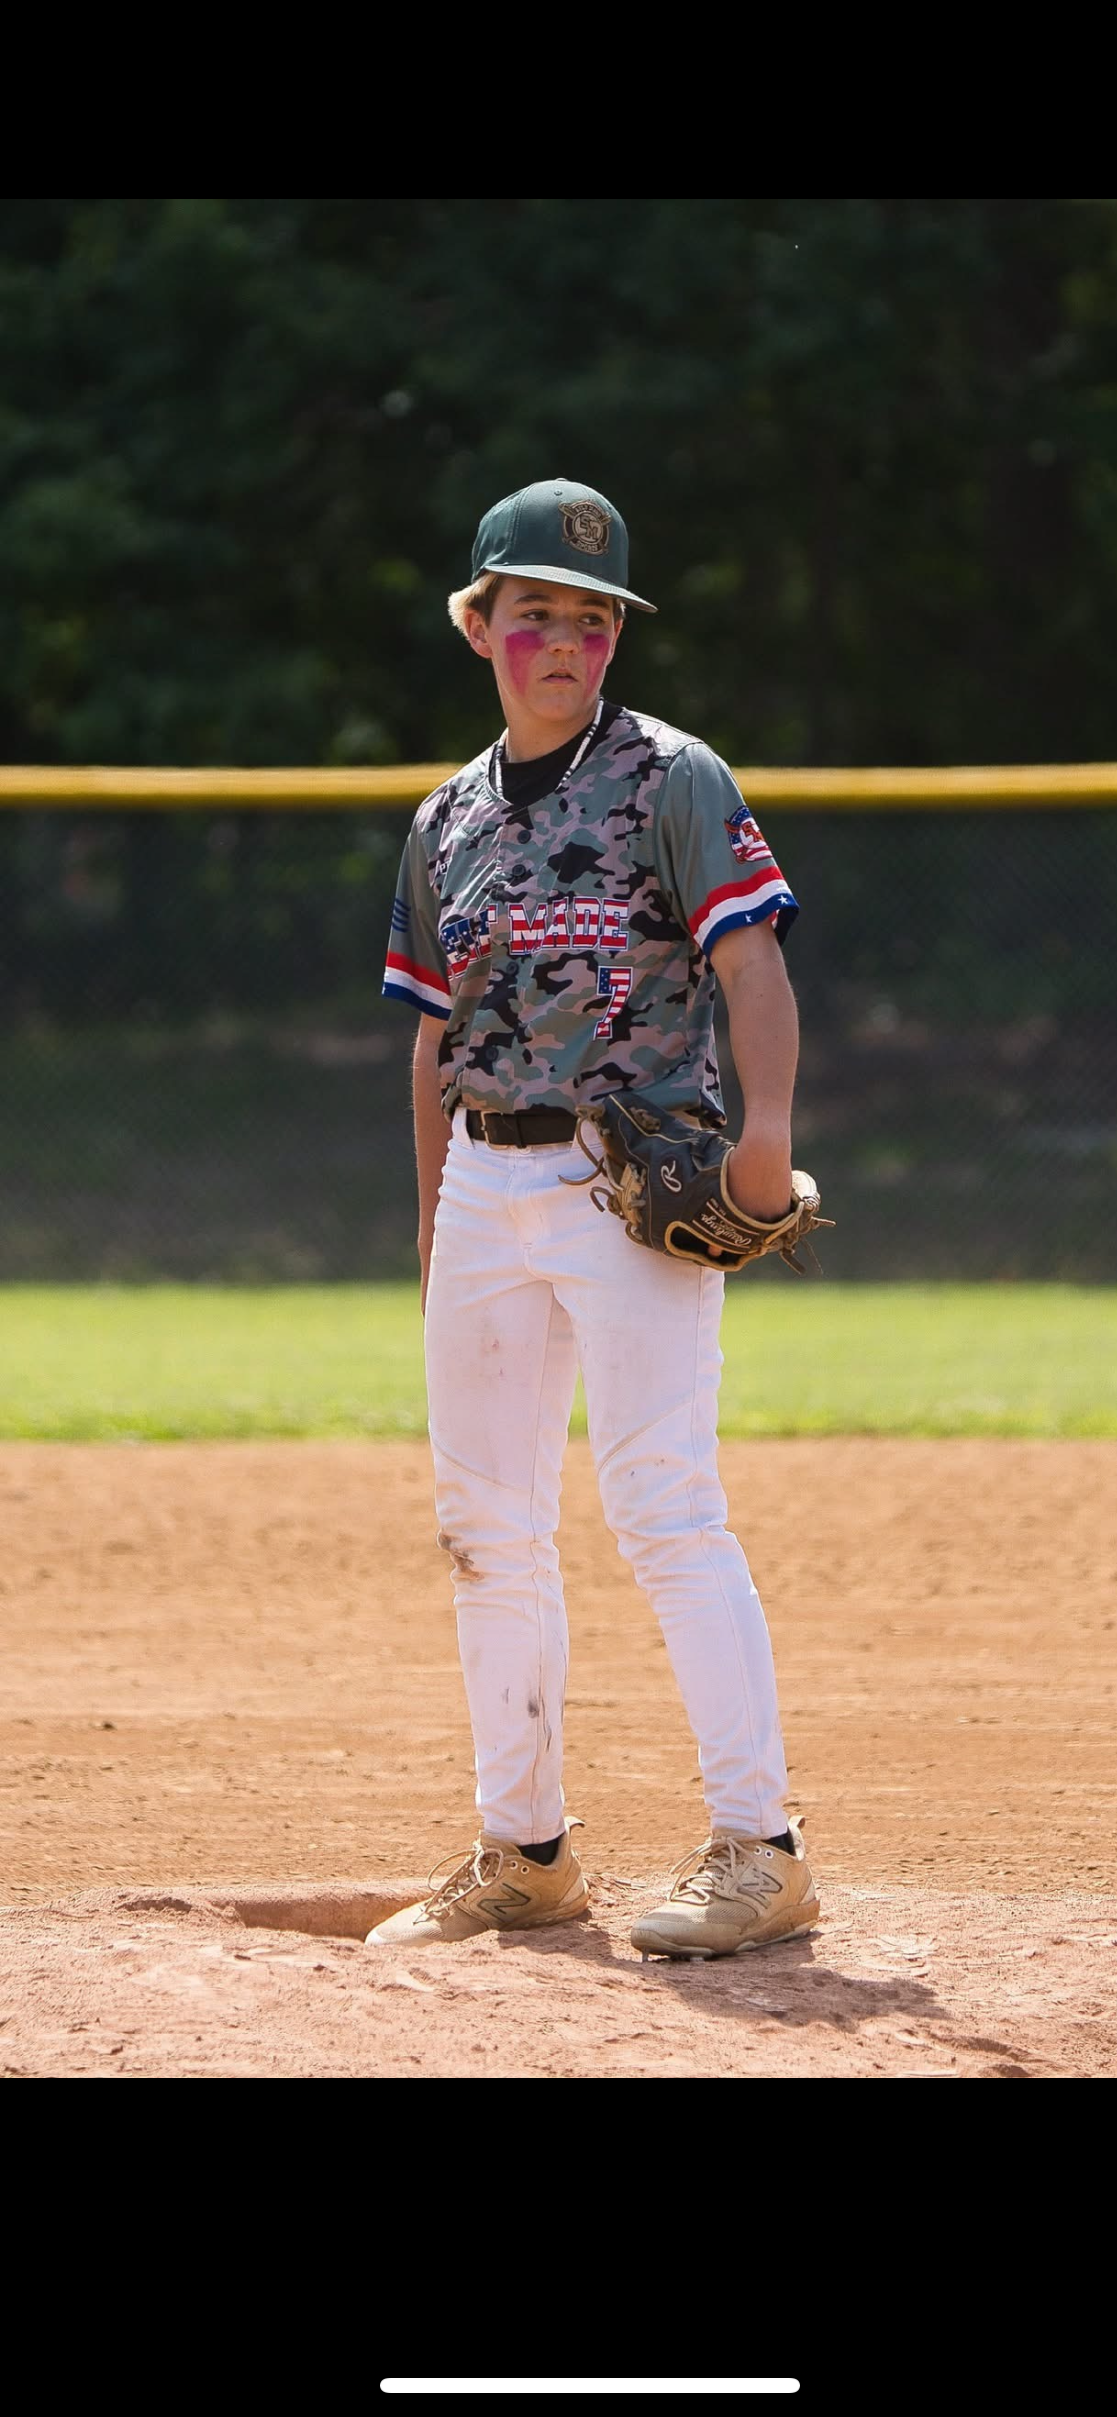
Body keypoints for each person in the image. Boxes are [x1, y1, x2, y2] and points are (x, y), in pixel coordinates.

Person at [367, 477, 819, 1961]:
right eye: (533, 614)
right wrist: (439, 1215)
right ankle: (526, 1852)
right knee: (484, 1528)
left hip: (630, 1184)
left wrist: (764, 1144)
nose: (563, 640)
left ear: (614, 640)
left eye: (590, 618)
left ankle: (760, 1850)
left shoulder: (675, 778)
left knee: (663, 1508)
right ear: (480, 628)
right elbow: (434, 1038)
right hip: (488, 1188)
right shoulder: (444, 818)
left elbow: (750, 965)